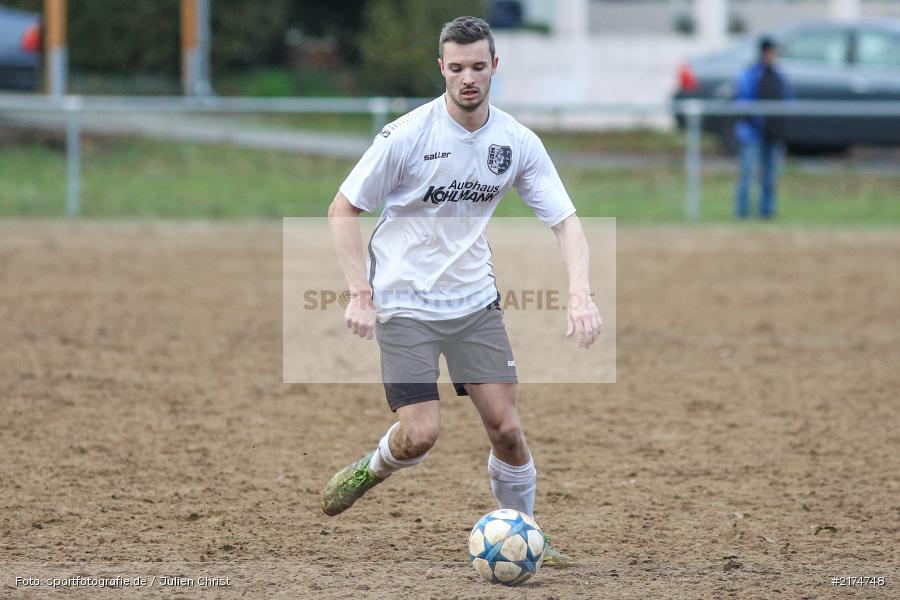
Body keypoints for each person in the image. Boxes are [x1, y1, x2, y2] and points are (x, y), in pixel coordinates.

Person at [322, 16, 602, 568]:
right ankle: (372, 467)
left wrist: (580, 293)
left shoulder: (516, 142)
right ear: (441, 69)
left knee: (507, 428)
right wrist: (359, 292)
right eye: (457, 68)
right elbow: (342, 209)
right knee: (421, 435)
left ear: (494, 66)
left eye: (478, 66)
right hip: (403, 302)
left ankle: (525, 535)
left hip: (473, 301)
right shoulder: (406, 136)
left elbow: (565, 220)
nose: (468, 77)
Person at [733, 37, 794, 219]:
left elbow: (788, 101)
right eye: (771, 52)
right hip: (753, 133)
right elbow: (742, 102)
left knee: (770, 175)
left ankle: (767, 211)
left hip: (773, 133)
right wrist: (753, 121)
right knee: (748, 173)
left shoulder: (779, 76)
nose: (773, 56)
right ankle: (741, 212)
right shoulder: (751, 74)